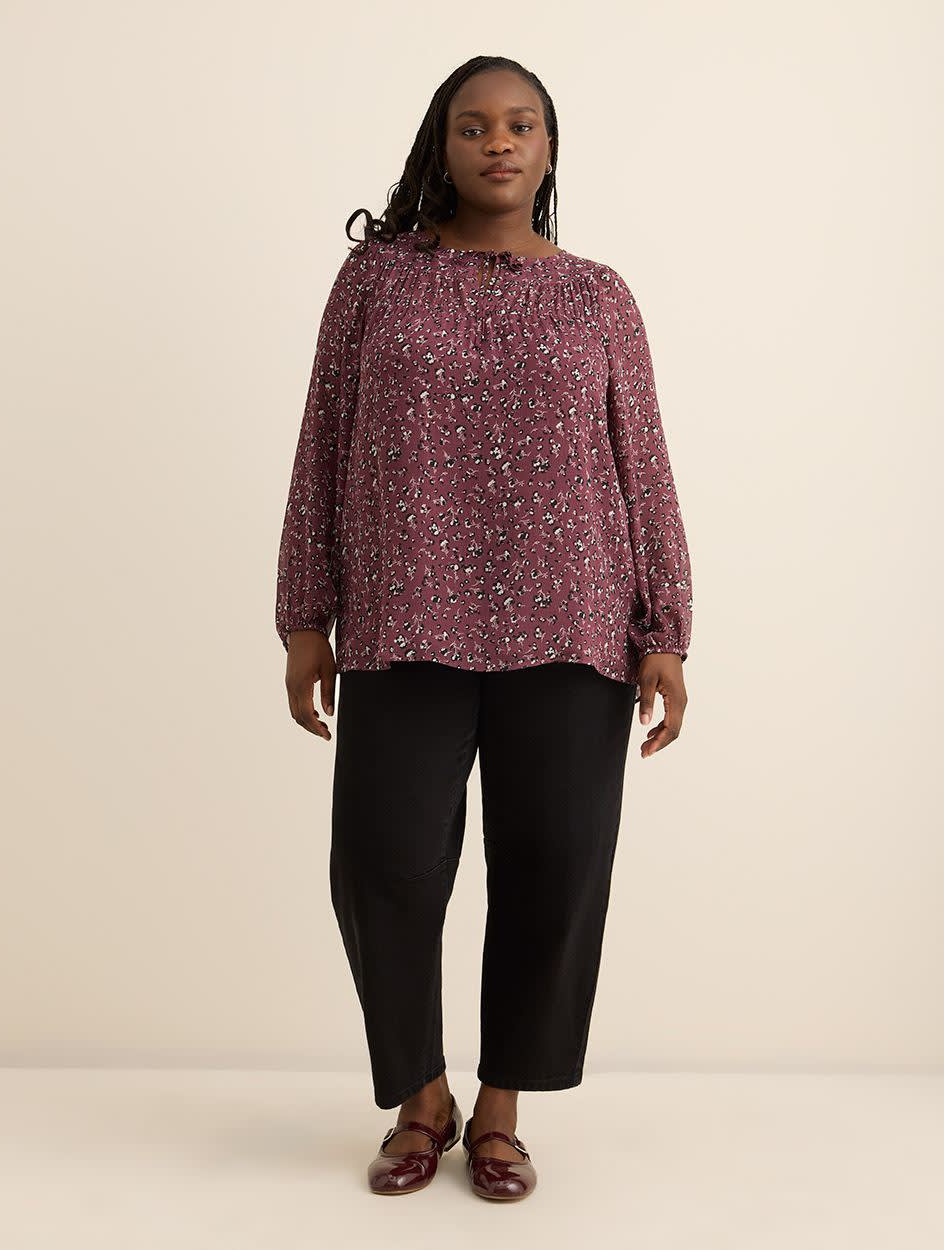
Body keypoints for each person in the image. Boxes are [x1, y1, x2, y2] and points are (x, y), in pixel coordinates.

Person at [275, 55, 693, 1202]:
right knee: (384, 865)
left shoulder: (598, 296)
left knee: (553, 871)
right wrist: (304, 613)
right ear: (442, 144)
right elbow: (323, 439)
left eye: (520, 125)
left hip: (573, 623)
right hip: (403, 613)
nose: (497, 142)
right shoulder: (375, 282)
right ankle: (422, 1097)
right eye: (473, 125)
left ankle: (501, 1107)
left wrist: (664, 626)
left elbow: (643, 461)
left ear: (548, 148)